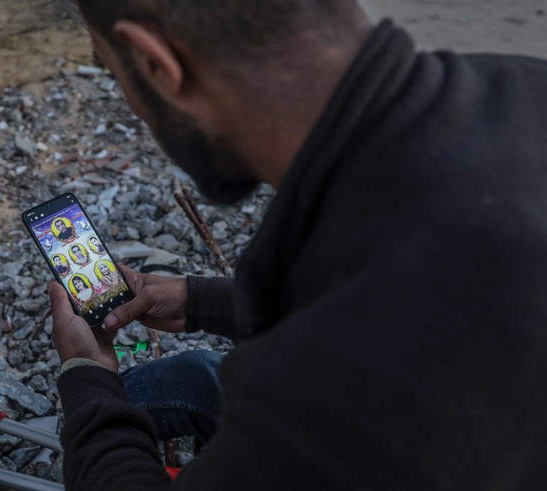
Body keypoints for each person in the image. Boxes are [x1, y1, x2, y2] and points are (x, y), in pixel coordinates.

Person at [46, 1, 547, 490]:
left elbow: (356, 345)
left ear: (156, 62)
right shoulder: (524, 86)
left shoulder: (333, 379)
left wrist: (89, 380)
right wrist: (202, 301)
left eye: (113, 73)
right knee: (195, 377)